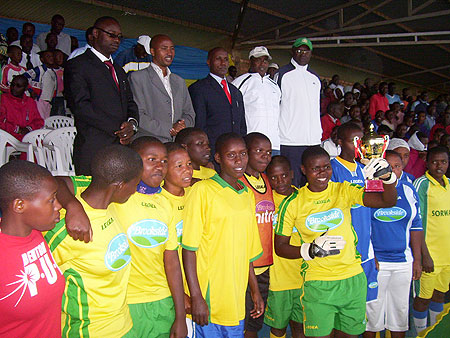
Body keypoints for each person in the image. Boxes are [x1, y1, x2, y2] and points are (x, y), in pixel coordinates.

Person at [275, 146, 397, 338]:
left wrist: (388, 179)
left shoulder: (343, 190)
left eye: (326, 167)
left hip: (352, 279)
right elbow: (280, 247)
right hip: (318, 284)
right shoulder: (292, 203)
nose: (322, 173)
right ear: (303, 170)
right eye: (315, 168)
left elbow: (387, 201)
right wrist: (311, 249)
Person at [45, 145, 143, 337]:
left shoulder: (94, 187)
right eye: (136, 183)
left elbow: (57, 181)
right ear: (120, 185)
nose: (137, 190)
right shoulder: (69, 230)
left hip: (124, 324)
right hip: (89, 331)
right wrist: (72, 206)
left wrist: (73, 204)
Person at [182, 132, 264, 337]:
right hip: (210, 297)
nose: (239, 161)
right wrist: (197, 297)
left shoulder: (246, 194)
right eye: (231, 155)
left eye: (243, 154)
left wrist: (255, 291)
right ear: (218, 158)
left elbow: (248, 252)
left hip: (234, 297)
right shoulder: (202, 191)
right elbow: (189, 250)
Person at [107, 137, 187, 338]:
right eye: (152, 159)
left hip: (162, 300)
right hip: (126, 302)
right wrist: (73, 208)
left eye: (164, 161)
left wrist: (179, 315)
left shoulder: (165, 204)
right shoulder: (116, 197)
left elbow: (172, 262)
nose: (160, 166)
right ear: (133, 161)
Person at [64, 16, 139, 175]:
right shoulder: (78, 65)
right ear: (95, 34)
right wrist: (118, 128)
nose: (117, 40)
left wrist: (132, 124)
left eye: (119, 37)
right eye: (111, 35)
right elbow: (80, 106)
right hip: (94, 148)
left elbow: (130, 103)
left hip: (121, 147)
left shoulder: (119, 70)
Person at [0, 160, 65, 338]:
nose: (59, 205)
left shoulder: (37, 233)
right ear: (19, 206)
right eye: (51, 200)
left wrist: (74, 207)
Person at [364, 150, 423, 338]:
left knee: (399, 315)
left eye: (396, 167)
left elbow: (416, 226)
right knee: (371, 318)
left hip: (403, 263)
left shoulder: (408, 189)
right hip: (376, 263)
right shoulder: (368, 190)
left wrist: (417, 260)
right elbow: (363, 228)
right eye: (387, 167)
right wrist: (369, 257)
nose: (392, 171)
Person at [331, 123, 379, 307]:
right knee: (343, 305)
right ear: (340, 142)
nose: (358, 147)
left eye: (361, 142)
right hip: (344, 250)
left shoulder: (365, 169)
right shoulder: (332, 168)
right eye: (353, 142)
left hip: (365, 247)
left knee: (363, 306)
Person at [264, 156, 305, 338]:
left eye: (283, 176)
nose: (279, 181)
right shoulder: (265, 202)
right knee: (278, 327)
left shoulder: (303, 198)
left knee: (300, 326)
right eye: (273, 177)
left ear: (292, 174)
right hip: (278, 278)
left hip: (303, 275)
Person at [129, 34, 195, 142]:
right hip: (149, 144)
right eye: (164, 48)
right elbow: (138, 115)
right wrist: (170, 129)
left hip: (176, 145)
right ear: (152, 51)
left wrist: (182, 126)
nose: (169, 53)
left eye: (172, 49)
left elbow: (189, 113)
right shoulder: (138, 78)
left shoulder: (179, 81)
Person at [412, 146, 450, 333]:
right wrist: (423, 255)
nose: (439, 166)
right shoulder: (422, 185)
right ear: (427, 162)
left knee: (440, 294)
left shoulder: (449, 184)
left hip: (447, 256)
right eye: (435, 162)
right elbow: (416, 222)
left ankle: (433, 330)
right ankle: (420, 332)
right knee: (422, 298)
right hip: (429, 256)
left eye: (443, 162)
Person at [242, 133, 275, 338]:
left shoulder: (265, 179)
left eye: (269, 152)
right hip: (246, 269)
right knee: (245, 324)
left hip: (265, 266)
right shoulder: (239, 183)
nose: (265, 156)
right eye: (259, 151)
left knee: (255, 323)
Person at [277, 37, 322, 187]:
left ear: (311, 53)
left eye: (306, 50)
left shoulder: (315, 77)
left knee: (312, 185)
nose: (303, 53)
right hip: (291, 141)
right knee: (293, 184)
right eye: (299, 50)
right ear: (293, 51)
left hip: (313, 141)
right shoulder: (282, 74)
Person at [189, 47, 246, 155]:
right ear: (208, 62)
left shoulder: (235, 91)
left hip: (235, 154)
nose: (223, 63)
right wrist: (205, 154)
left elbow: (242, 125)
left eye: (225, 59)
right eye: (218, 59)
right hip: (214, 151)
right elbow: (199, 125)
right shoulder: (199, 88)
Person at [232, 46, 281, 155]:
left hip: (274, 144)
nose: (262, 64)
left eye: (265, 60)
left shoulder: (274, 86)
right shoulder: (240, 83)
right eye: (258, 60)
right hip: (252, 143)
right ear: (251, 61)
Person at [0, 75, 44, 140]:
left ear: (26, 88)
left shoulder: (30, 102)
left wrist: (29, 128)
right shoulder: (3, 99)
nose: (14, 88)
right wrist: (17, 129)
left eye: (18, 86)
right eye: (12, 85)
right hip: (8, 138)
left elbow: (38, 121)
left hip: (28, 137)